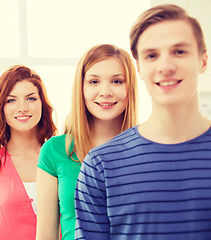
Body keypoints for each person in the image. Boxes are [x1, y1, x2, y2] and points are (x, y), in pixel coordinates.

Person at [75, 4, 210, 240]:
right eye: (152, 55)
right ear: (139, 67)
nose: (165, 67)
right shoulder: (99, 166)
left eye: (179, 51)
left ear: (203, 59)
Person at [36, 44, 138, 240]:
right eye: (94, 82)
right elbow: (45, 235)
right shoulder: (54, 151)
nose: (105, 91)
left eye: (117, 81)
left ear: (130, 87)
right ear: (81, 87)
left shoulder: (146, 149)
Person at [0, 65, 57, 240]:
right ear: (0, 107)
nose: (22, 108)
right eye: (11, 100)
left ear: (42, 104)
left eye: (31, 98)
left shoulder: (63, 158)